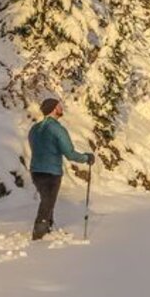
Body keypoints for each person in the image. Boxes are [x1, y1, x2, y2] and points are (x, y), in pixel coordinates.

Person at [28, 98, 94, 240]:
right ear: (53, 109)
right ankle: (39, 233)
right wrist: (86, 158)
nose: (61, 108)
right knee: (48, 201)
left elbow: (34, 147)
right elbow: (69, 154)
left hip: (35, 170)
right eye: (59, 106)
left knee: (47, 200)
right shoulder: (57, 129)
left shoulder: (34, 129)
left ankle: (48, 229)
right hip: (52, 172)